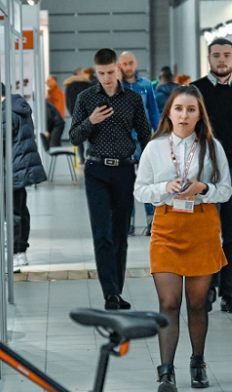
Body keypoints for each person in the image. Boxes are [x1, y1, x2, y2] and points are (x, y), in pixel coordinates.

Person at [134, 85, 232, 391]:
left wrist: (203, 188)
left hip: (202, 226)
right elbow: (140, 191)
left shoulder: (212, 147)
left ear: (199, 114)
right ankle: (166, 371)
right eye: (178, 109)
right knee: (169, 302)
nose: (184, 115)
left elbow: (226, 190)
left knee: (198, 303)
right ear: (169, 113)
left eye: (191, 109)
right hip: (167, 227)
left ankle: (198, 362)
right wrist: (165, 187)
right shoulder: (155, 147)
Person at [69, 48, 153, 310]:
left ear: (118, 69)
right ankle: (110, 294)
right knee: (102, 233)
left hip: (124, 170)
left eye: (109, 72)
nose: (105, 78)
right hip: (96, 170)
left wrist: (152, 167)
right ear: (96, 71)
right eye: (101, 73)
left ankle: (117, 290)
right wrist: (91, 121)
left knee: (120, 234)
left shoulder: (133, 99)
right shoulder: (86, 98)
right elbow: (74, 137)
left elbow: (145, 134)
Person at [193, 38, 232, 315]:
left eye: (227, 55)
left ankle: (228, 295)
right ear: (208, 58)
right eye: (216, 55)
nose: (222, 60)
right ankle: (208, 289)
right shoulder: (195, 90)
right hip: (203, 171)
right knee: (207, 234)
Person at [2, 83, 48, 269]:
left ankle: (16, 252)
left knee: (13, 213)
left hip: (12, 168)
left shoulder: (6, 112)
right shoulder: (19, 107)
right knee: (20, 210)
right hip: (21, 166)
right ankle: (21, 250)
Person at [119, 51, 161, 235]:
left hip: (144, 140)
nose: (128, 67)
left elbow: (153, 111)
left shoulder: (145, 85)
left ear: (135, 63)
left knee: (147, 181)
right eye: (124, 64)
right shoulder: (115, 86)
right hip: (123, 142)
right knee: (125, 183)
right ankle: (128, 222)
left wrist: (159, 134)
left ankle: (152, 222)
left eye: (130, 63)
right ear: (120, 65)